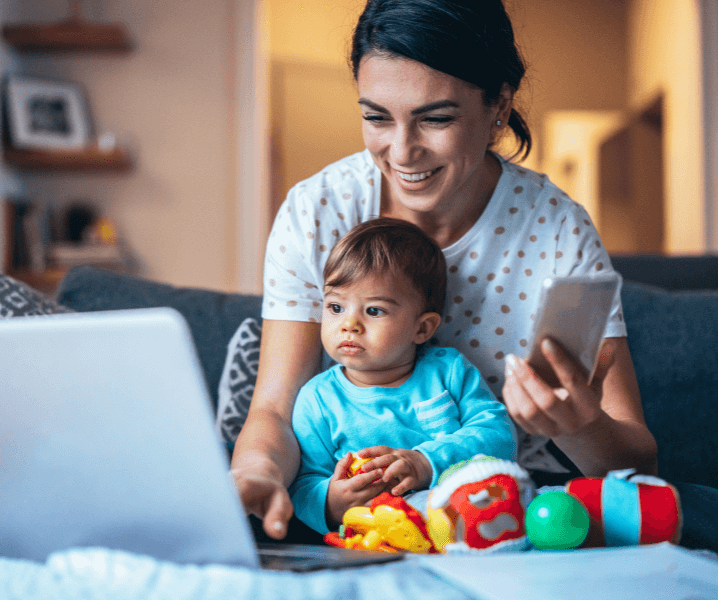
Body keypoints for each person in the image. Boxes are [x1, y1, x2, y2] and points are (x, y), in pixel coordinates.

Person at [230, 0, 663, 545]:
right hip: (359, 524)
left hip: (506, 518)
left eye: (435, 118)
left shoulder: (556, 230)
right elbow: (274, 408)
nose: (403, 151)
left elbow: (638, 459)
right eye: (376, 116)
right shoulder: (317, 210)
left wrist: (580, 427)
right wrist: (256, 472)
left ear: (498, 106)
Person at [289, 218, 516, 533]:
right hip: (372, 540)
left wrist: (426, 463)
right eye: (336, 307)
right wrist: (330, 502)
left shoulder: (448, 371)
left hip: (466, 527)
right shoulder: (317, 400)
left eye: (374, 311)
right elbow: (304, 483)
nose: (348, 325)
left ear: (422, 328)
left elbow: (499, 438)